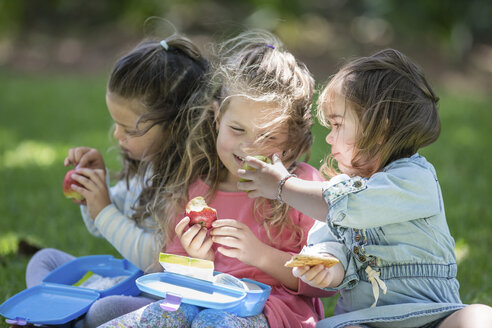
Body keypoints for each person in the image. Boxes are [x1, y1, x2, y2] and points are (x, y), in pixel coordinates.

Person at [236, 48, 492, 328]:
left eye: (337, 124)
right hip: (364, 321)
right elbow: (328, 242)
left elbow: (348, 206)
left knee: (479, 316)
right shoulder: (339, 188)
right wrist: (326, 266)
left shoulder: (415, 180)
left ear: (379, 130)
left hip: (433, 315)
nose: (330, 138)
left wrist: (282, 186)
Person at [101, 29, 335, 328]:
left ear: (292, 137)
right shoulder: (198, 190)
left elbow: (326, 283)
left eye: (268, 136)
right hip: (195, 303)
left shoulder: (301, 188)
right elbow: (173, 277)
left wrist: (260, 255)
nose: (249, 146)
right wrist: (197, 258)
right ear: (216, 118)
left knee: (211, 323)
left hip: (271, 312)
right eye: (237, 130)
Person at [24, 33, 211, 327]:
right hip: (129, 279)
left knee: (104, 311)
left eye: (130, 129)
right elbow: (104, 228)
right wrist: (94, 193)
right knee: (44, 260)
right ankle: (52, 318)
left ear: (176, 128)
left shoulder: (187, 187)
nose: (116, 135)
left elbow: (154, 259)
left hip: (160, 293)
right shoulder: (146, 166)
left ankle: (58, 320)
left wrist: (104, 210)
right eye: (116, 124)